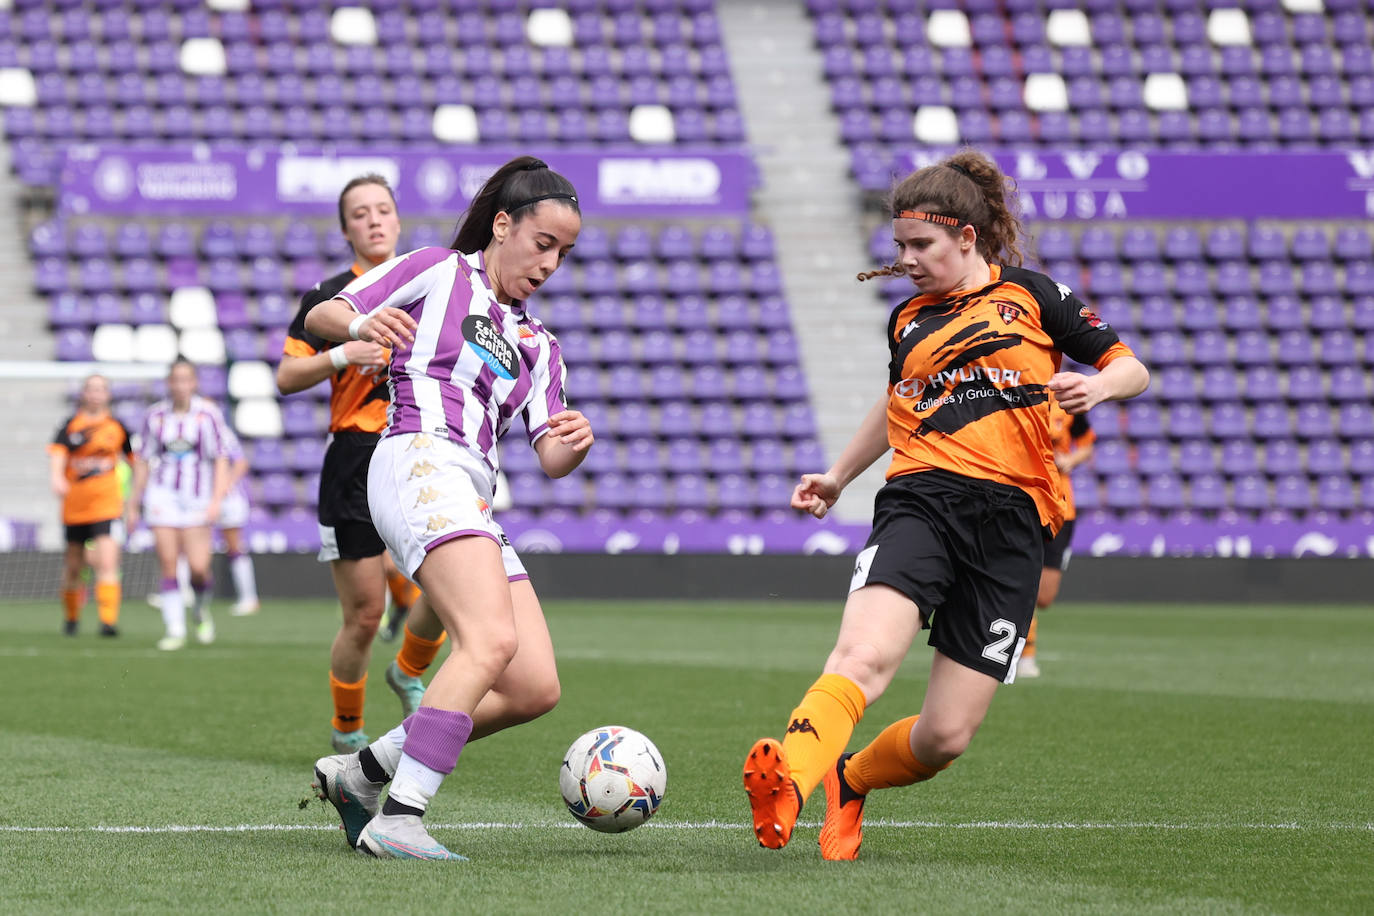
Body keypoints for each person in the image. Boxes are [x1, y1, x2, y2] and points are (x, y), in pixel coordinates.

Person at [741, 150, 1149, 860]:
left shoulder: (1035, 296)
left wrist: (1102, 389)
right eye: (898, 246)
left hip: (1015, 525)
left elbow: (1130, 366)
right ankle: (791, 782)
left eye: (919, 245)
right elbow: (894, 402)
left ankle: (849, 778)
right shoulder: (907, 320)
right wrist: (839, 475)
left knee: (945, 738)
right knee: (864, 656)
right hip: (921, 502)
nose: (906, 259)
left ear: (967, 236)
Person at [305, 155, 591, 860]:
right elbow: (322, 315)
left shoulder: (538, 346)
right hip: (414, 456)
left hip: (471, 492)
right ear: (502, 225)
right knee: (489, 641)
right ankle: (401, 818)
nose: (550, 262)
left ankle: (361, 774)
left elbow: (550, 457)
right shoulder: (440, 269)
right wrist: (360, 335)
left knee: (532, 686)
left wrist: (575, 444)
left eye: (564, 252)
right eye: (542, 243)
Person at [277, 173, 444, 754]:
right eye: (359, 213)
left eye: (382, 209)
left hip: (422, 450)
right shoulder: (327, 299)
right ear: (346, 229)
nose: (373, 220)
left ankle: (407, 669)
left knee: (452, 591)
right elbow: (286, 376)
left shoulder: (430, 288)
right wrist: (344, 352)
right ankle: (346, 731)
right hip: (354, 458)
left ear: (398, 220)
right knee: (365, 615)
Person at [127, 358, 236, 651]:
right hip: (162, 496)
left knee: (199, 569)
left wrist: (216, 499)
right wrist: (133, 503)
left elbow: (222, 458)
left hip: (198, 498)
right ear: (169, 383)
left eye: (186, 379)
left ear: (194, 382)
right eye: (175, 379)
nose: (180, 385)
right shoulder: (154, 417)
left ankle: (200, 610)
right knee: (168, 564)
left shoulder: (208, 415)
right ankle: (174, 628)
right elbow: (143, 460)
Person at [48, 374, 132, 637]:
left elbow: (136, 459)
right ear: (83, 393)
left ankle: (108, 622)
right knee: (74, 565)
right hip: (75, 505)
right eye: (91, 389)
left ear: (107, 394)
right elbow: (58, 455)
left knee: (107, 561)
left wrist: (135, 496)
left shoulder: (117, 427)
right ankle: (71, 619)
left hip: (106, 505)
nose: (96, 394)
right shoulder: (70, 426)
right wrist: (57, 477)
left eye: (101, 389)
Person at [1020, 399, 1095, 678]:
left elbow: (1087, 444)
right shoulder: (1020, 396)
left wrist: (1070, 460)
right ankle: (1024, 654)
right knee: (1023, 579)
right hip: (1026, 502)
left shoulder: (1068, 403)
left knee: (1044, 596)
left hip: (1063, 506)